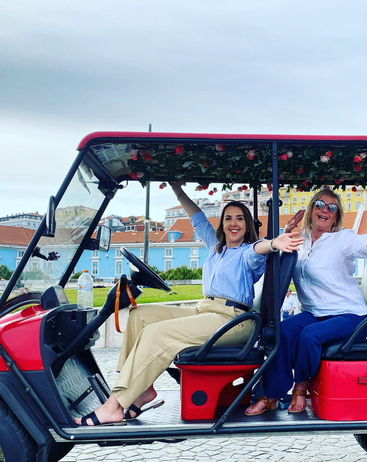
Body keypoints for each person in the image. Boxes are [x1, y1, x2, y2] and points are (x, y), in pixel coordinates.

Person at [75, 181, 303, 426]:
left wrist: (273, 243)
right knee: (140, 316)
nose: (233, 223)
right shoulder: (216, 248)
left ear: (247, 224)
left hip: (233, 320)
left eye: (239, 218)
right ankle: (142, 391)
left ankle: (114, 405)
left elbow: (260, 248)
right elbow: (197, 217)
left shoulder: (248, 253)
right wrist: (177, 190)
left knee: (157, 333)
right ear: (222, 224)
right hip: (205, 310)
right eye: (228, 218)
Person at [245, 188, 367, 416]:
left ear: (336, 217)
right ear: (311, 210)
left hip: (349, 317)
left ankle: (301, 385)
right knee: (283, 331)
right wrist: (287, 231)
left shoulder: (342, 240)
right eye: (320, 204)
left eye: (332, 208)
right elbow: (277, 266)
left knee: (309, 336)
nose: (325, 210)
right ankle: (272, 393)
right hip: (315, 313)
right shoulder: (300, 241)